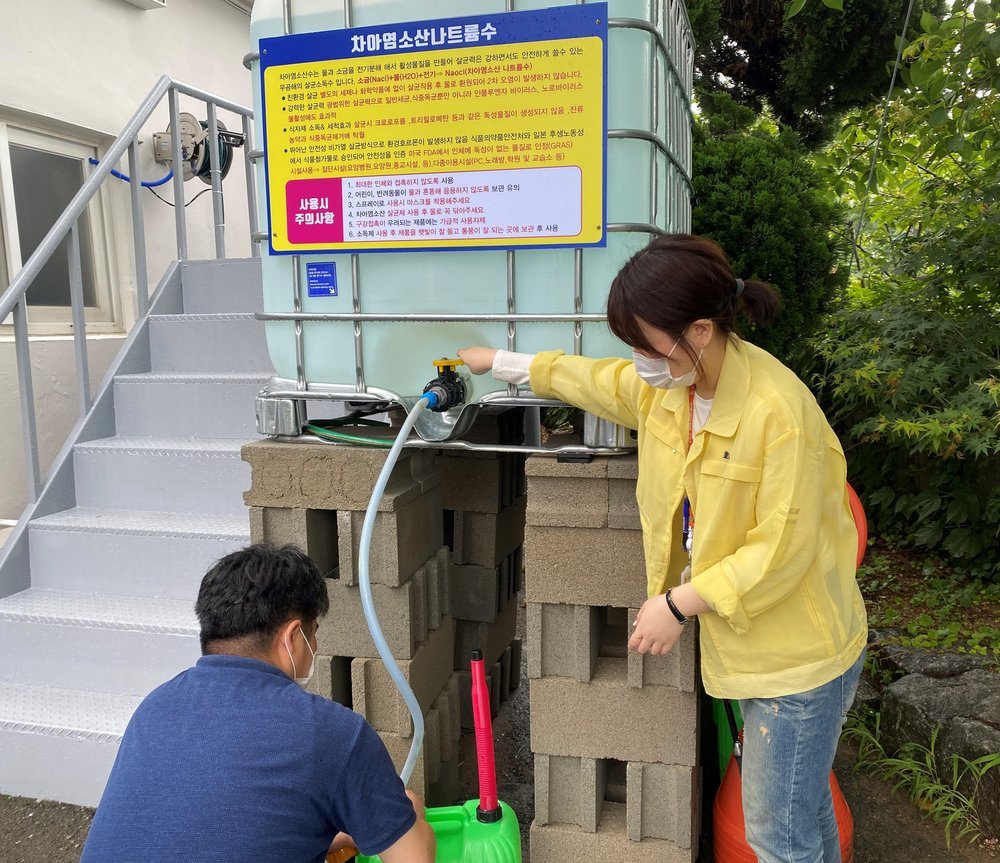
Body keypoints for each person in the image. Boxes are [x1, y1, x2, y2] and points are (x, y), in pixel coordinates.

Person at [459, 233, 867, 863]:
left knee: (777, 837)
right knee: (802, 811)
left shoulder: (778, 414)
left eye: (643, 341)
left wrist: (679, 604)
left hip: (798, 661)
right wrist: (504, 363)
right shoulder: (672, 388)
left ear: (699, 330)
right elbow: (596, 380)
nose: (636, 357)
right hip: (756, 645)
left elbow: (781, 551)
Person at [81, 543, 436, 863]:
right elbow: (413, 859)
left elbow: (202, 825)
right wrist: (413, 817)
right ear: (293, 636)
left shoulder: (155, 707)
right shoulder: (332, 733)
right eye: (315, 633)